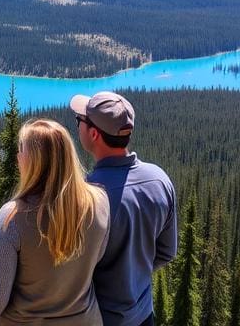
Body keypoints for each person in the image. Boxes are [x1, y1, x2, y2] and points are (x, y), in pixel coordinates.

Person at [0, 118, 111, 326]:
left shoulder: (13, 217)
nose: (17, 156)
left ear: (36, 161)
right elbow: (96, 260)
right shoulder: (100, 202)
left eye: (22, 149)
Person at [70, 91, 177, 326]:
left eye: (80, 121)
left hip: (99, 319)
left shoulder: (85, 194)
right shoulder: (159, 180)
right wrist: (132, 272)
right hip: (142, 316)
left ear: (94, 134)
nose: (77, 125)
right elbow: (167, 252)